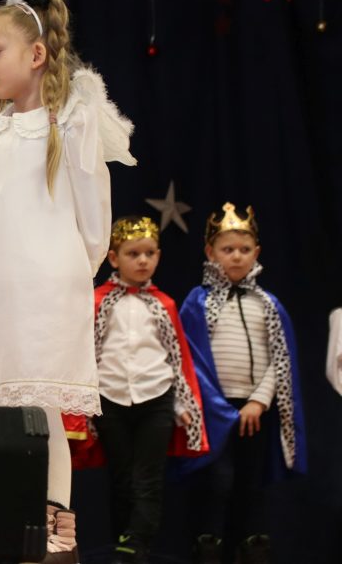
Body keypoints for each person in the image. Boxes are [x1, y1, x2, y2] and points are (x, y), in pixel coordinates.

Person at [0, 0, 135, 564]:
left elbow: (93, 210)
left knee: (41, 405)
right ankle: (2, 516)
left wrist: (71, 272)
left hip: (47, 286)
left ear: (35, 54)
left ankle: (55, 524)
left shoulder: (71, 119)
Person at [68, 215, 206, 564]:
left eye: (149, 253)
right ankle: (123, 543)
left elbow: (177, 356)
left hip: (155, 398)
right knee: (122, 477)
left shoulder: (164, 304)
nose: (142, 261)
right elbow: (86, 353)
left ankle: (138, 544)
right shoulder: (98, 301)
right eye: (133, 254)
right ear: (114, 258)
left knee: (148, 478)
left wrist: (181, 404)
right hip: (111, 400)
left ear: (158, 255)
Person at [177, 203, 307, 564]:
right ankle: (208, 545)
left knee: (250, 483)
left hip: (253, 411)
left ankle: (248, 547)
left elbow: (280, 359)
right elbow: (185, 357)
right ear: (210, 252)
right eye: (228, 249)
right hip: (211, 412)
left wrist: (259, 401)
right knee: (216, 482)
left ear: (257, 253)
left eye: (244, 249)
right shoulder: (198, 302)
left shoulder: (267, 305)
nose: (236, 256)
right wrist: (209, 404)